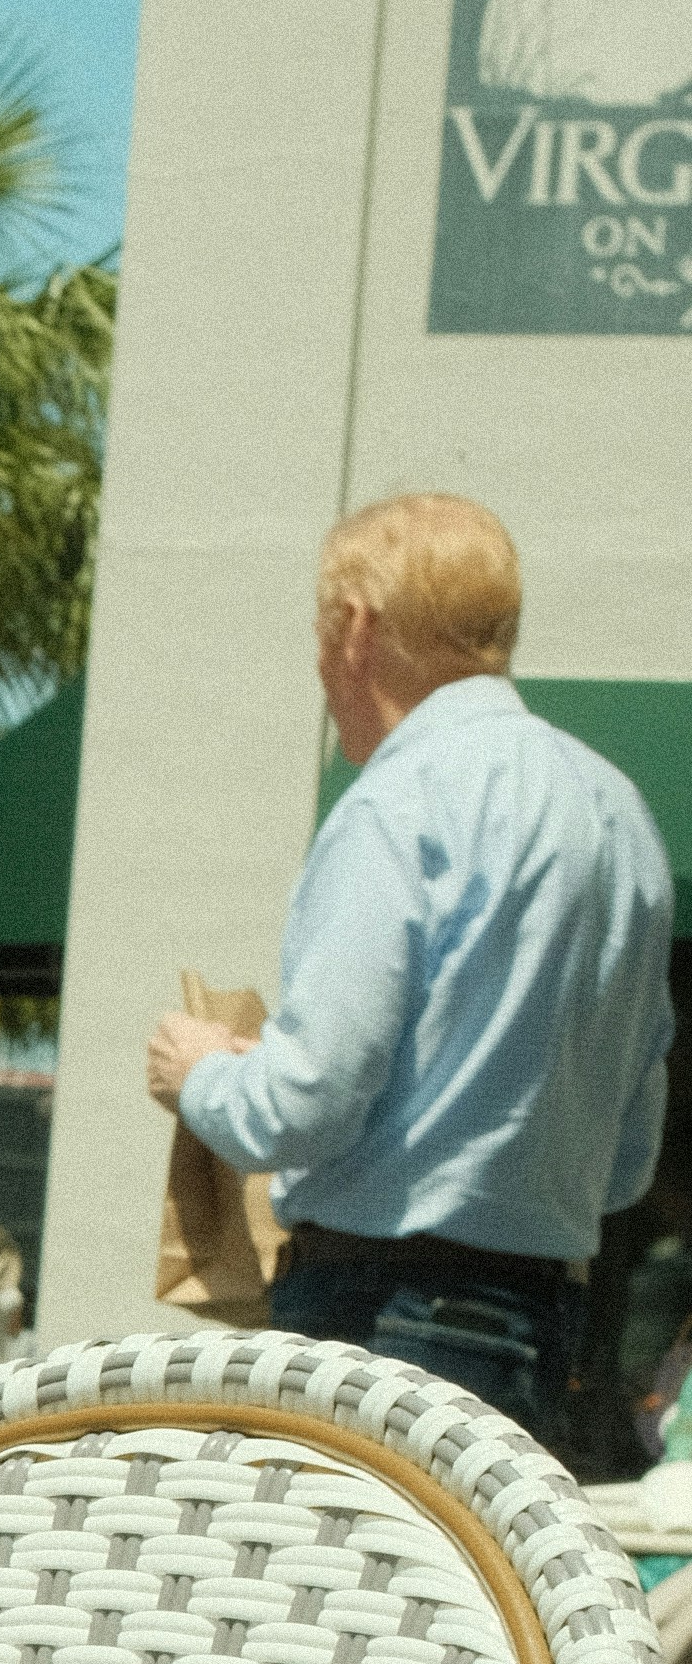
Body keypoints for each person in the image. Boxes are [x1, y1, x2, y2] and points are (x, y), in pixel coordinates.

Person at [146, 488, 675, 1457]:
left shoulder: (397, 804)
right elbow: (625, 1161)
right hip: (544, 1323)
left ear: (354, 627)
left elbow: (302, 1108)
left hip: (379, 1318)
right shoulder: (619, 816)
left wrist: (199, 1074)